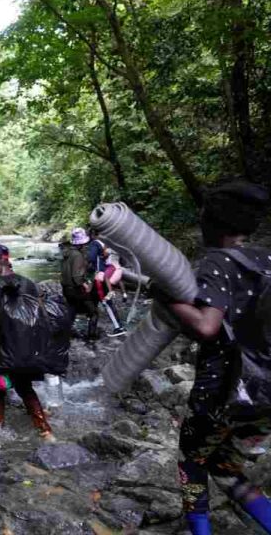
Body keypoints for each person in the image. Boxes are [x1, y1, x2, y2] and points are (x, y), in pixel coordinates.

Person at [164, 181, 271, 535]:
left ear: (214, 223)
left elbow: (208, 327)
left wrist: (165, 297)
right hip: (266, 392)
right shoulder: (266, 259)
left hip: (223, 391)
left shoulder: (217, 263)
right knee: (224, 467)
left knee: (191, 461)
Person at [0, 245, 54, 439]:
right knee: (25, 387)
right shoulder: (30, 284)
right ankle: (45, 431)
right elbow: (39, 317)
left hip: (5, 350)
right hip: (28, 349)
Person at [61, 228, 99, 341]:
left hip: (66, 289)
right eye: (85, 244)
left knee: (72, 311)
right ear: (82, 243)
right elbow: (76, 276)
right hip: (76, 289)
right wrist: (85, 285)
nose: (86, 245)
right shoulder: (77, 255)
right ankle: (91, 337)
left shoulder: (67, 253)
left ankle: (67, 333)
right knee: (94, 312)